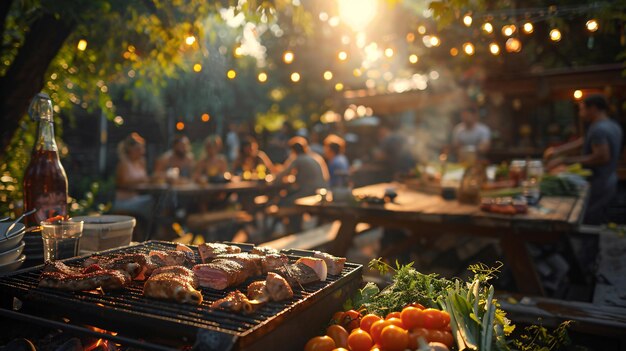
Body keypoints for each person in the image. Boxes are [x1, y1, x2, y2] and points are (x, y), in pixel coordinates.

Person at [544, 95, 623, 224]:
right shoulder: (611, 125)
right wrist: (557, 151)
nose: (580, 114)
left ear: (592, 108)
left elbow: (602, 157)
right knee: (595, 218)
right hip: (609, 179)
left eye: (582, 109)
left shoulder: (599, 129)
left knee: (590, 219)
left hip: (600, 182)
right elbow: (584, 141)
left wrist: (564, 161)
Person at [113, 133, 152, 239]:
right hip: (125, 201)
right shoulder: (123, 164)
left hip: (136, 198)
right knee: (152, 203)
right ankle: (151, 234)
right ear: (130, 149)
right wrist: (142, 181)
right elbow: (122, 183)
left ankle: (152, 232)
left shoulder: (141, 162)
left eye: (142, 148)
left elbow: (146, 180)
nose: (142, 152)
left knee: (155, 202)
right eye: (139, 149)